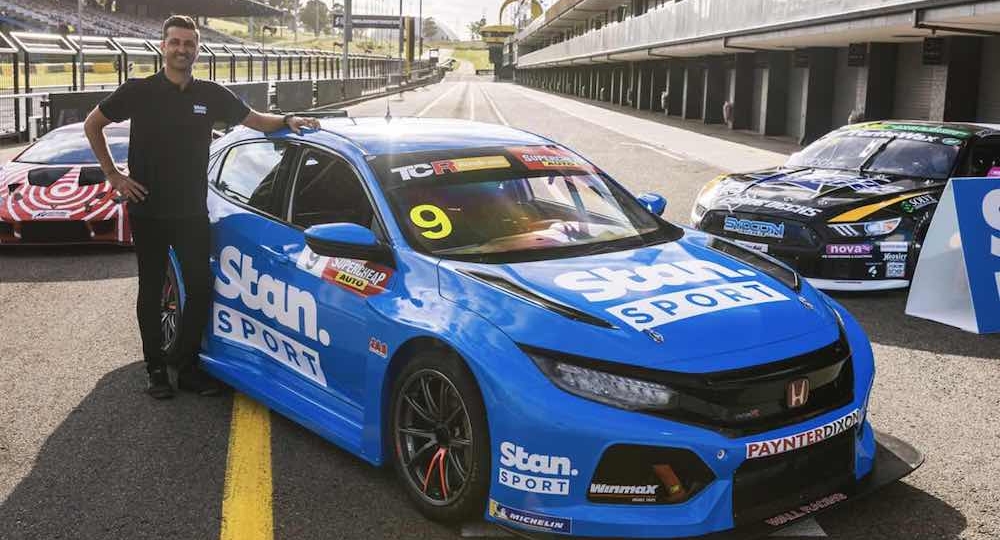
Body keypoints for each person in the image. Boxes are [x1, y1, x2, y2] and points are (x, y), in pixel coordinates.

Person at [84, 15, 320, 399]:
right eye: (175, 42)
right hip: (148, 210)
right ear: (163, 46)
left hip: (192, 211)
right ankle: (156, 368)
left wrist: (289, 119)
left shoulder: (210, 94)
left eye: (189, 44)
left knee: (199, 285)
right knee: (151, 291)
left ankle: (186, 363)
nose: (182, 49)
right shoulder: (137, 90)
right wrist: (113, 175)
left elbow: (257, 120)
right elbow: (93, 125)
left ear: (197, 49)